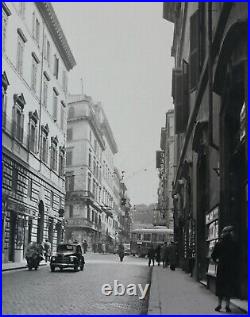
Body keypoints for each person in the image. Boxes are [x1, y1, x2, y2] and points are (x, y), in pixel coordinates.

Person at [211, 225, 238, 313]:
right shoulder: (234, 243)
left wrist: (217, 261)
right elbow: (237, 256)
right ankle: (227, 306)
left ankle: (219, 304)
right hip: (230, 268)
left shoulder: (219, 243)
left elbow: (213, 256)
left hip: (221, 267)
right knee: (228, 286)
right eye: (232, 232)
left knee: (220, 285)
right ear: (229, 233)